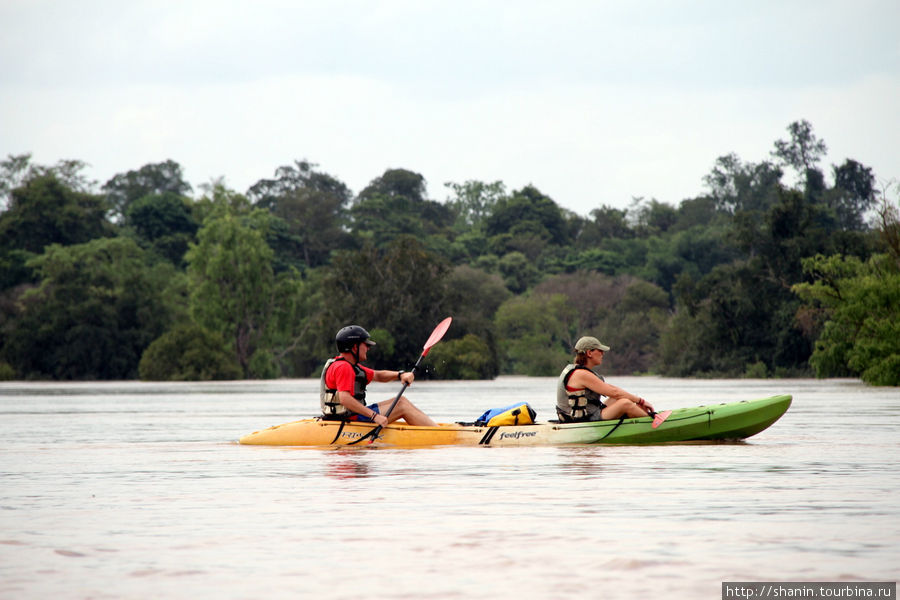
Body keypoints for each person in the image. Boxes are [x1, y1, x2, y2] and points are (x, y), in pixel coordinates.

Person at [320, 325, 437, 427]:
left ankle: (435, 428)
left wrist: (400, 375)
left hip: (352, 415)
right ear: (355, 347)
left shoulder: (349, 366)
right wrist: (374, 416)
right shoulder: (343, 367)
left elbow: (378, 375)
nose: (368, 348)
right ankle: (439, 433)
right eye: (365, 344)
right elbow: (345, 399)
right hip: (351, 419)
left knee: (401, 401)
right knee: (402, 406)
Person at [556, 336, 655, 422]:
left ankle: (641, 416)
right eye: (600, 350)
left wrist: (636, 401)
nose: (602, 353)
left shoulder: (579, 371)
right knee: (625, 403)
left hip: (587, 415)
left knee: (620, 399)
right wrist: (641, 401)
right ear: (589, 353)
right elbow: (615, 392)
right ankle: (651, 421)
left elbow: (614, 391)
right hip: (581, 420)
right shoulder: (581, 374)